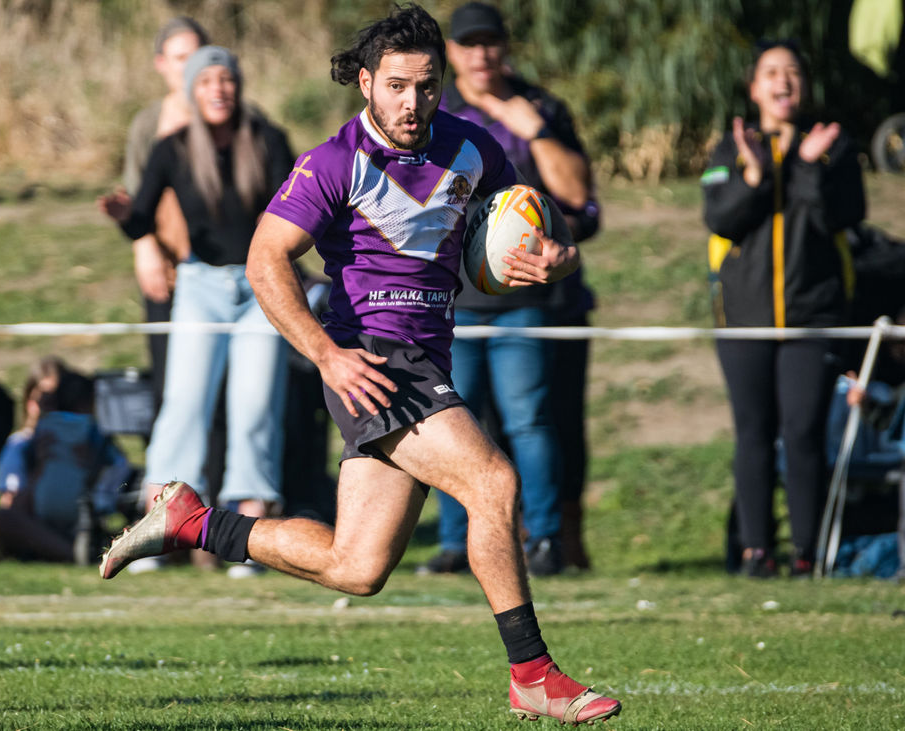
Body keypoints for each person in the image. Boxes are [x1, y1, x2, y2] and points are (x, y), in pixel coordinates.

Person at [99, 6, 622, 725]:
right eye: (399, 86)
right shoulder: (332, 163)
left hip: (423, 359)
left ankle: (194, 521)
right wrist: (326, 354)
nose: (414, 103)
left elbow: (531, 213)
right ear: (367, 83)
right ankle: (532, 673)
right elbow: (264, 259)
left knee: (357, 566)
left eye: (428, 86)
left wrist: (553, 252)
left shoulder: (470, 148)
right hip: (374, 361)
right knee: (493, 481)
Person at [99, 46, 296, 573]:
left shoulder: (269, 141)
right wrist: (124, 217)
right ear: (191, 89)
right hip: (199, 286)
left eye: (226, 78)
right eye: (206, 80)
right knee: (183, 404)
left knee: (255, 407)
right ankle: (153, 532)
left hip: (261, 288)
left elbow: (295, 210)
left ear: (238, 85)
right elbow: (141, 218)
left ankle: (249, 538)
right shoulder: (172, 148)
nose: (218, 88)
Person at [420, 1, 599, 576]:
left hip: (527, 301)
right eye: (468, 44)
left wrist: (535, 131)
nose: (481, 54)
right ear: (453, 53)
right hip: (454, 303)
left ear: (504, 47)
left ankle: (544, 540)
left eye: (490, 42)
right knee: (454, 422)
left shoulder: (539, 107)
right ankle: (455, 543)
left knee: (530, 421)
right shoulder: (434, 109)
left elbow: (581, 203)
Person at [703, 39, 866, 577]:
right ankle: (755, 550)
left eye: (793, 72)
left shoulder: (833, 148)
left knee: (802, 434)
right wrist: (754, 175)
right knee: (752, 433)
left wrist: (808, 166)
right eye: (772, 72)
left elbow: (841, 219)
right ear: (755, 87)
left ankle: (806, 553)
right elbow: (721, 219)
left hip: (812, 320)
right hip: (743, 322)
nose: (783, 81)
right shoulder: (731, 149)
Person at [122, 17, 209, 413]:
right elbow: (134, 196)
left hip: (224, 269)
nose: (190, 68)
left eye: (197, 57)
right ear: (161, 64)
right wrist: (144, 248)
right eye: (180, 58)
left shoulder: (238, 119)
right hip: (167, 268)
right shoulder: (147, 124)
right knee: (170, 381)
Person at [0, 367, 130, 563]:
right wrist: (41, 468)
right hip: (38, 523)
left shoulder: (92, 434)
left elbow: (119, 473)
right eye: (44, 400)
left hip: (84, 519)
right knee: (2, 519)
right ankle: (77, 554)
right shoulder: (22, 444)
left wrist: (92, 470)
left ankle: (85, 551)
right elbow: (10, 503)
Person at [0, 356, 65, 509]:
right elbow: (10, 505)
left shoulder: (82, 440)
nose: (48, 408)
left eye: (56, 401)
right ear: (28, 401)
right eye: (42, 400)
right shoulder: (19, 445)